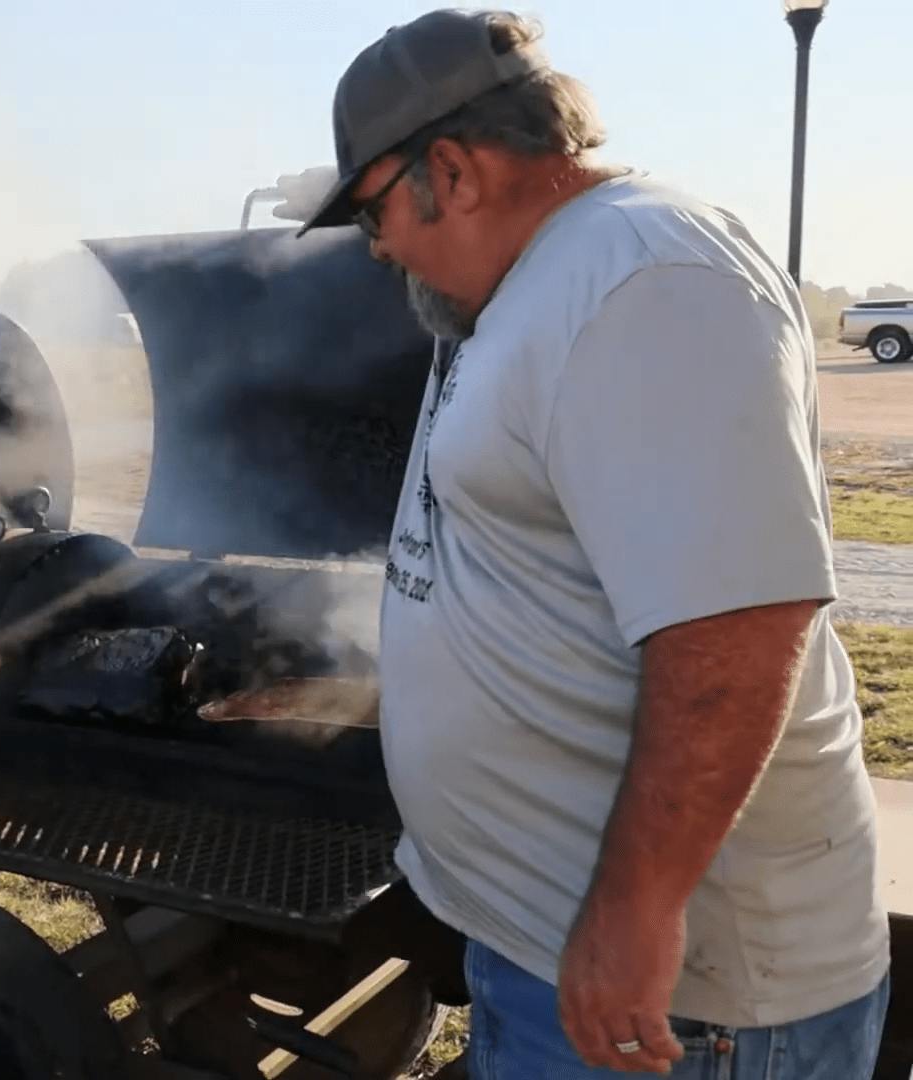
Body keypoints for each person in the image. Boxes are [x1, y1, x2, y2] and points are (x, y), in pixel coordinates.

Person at [294, 9, 890, 1078]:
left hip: (679, 1006)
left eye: (374, 211)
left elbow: (739, 627)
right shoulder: (523, 289)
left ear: (455, 169)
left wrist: (635, 909)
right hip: (548, 950)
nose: (377, 246)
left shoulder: (644, 278)